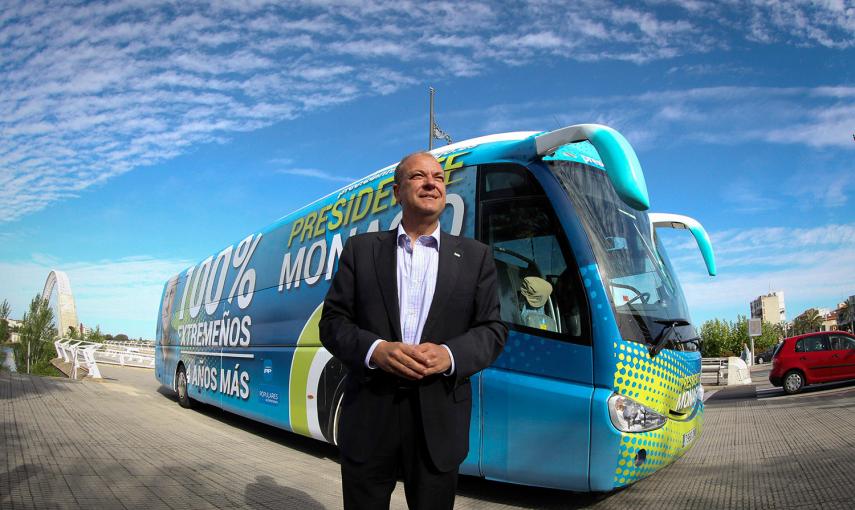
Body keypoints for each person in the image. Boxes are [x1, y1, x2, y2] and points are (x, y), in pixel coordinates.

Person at [319, 151, 507, 510]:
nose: (431, 183)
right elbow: (332, 323)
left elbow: (493, 329)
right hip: (370, 418)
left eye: (438, 177)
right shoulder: (361, 251)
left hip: (438, 422)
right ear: (397, 192)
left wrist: (448, 356)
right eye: (418, 176)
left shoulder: (476, 257)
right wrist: (376, 351)